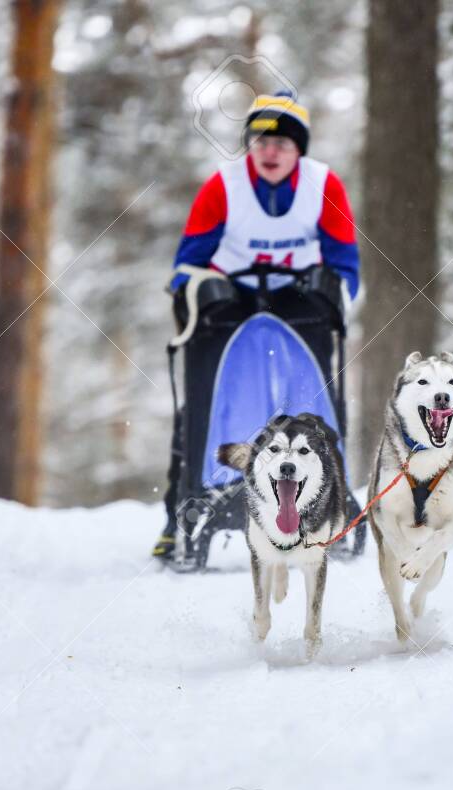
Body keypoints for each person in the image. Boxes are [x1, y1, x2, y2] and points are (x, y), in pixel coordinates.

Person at [153, 91, 361, 562]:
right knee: (201, 402)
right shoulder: (222, 186)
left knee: (311, 398)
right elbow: (186, 264)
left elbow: (346, 264)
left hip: (299, 300)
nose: (270, 151)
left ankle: (329, 498)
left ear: (298, 150)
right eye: (261, 141)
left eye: (282, 143)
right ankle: (181, 510)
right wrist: (196, 290)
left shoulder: (324, 185)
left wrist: (332, 290)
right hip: (230, 300)